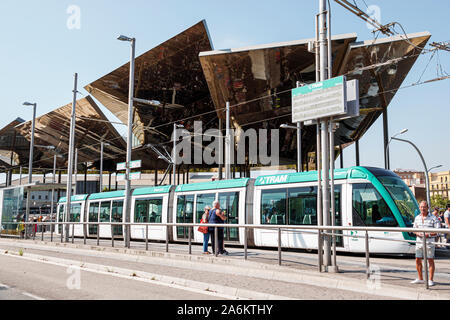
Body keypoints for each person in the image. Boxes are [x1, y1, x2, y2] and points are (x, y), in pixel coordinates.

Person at [411, 201, 440, 287]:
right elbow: (414, 229)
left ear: (428, 208)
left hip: (429, 242)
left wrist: (429, 234)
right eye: (421, 207)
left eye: (424, 207)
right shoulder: (417, 218)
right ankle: (420, 278)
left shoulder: (433, 218)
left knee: (430, 260)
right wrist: (417, 233)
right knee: (417, 259)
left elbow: (438, 231)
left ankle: (430, 280)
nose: (423, 209)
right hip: (419, 241)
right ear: (419, 208)